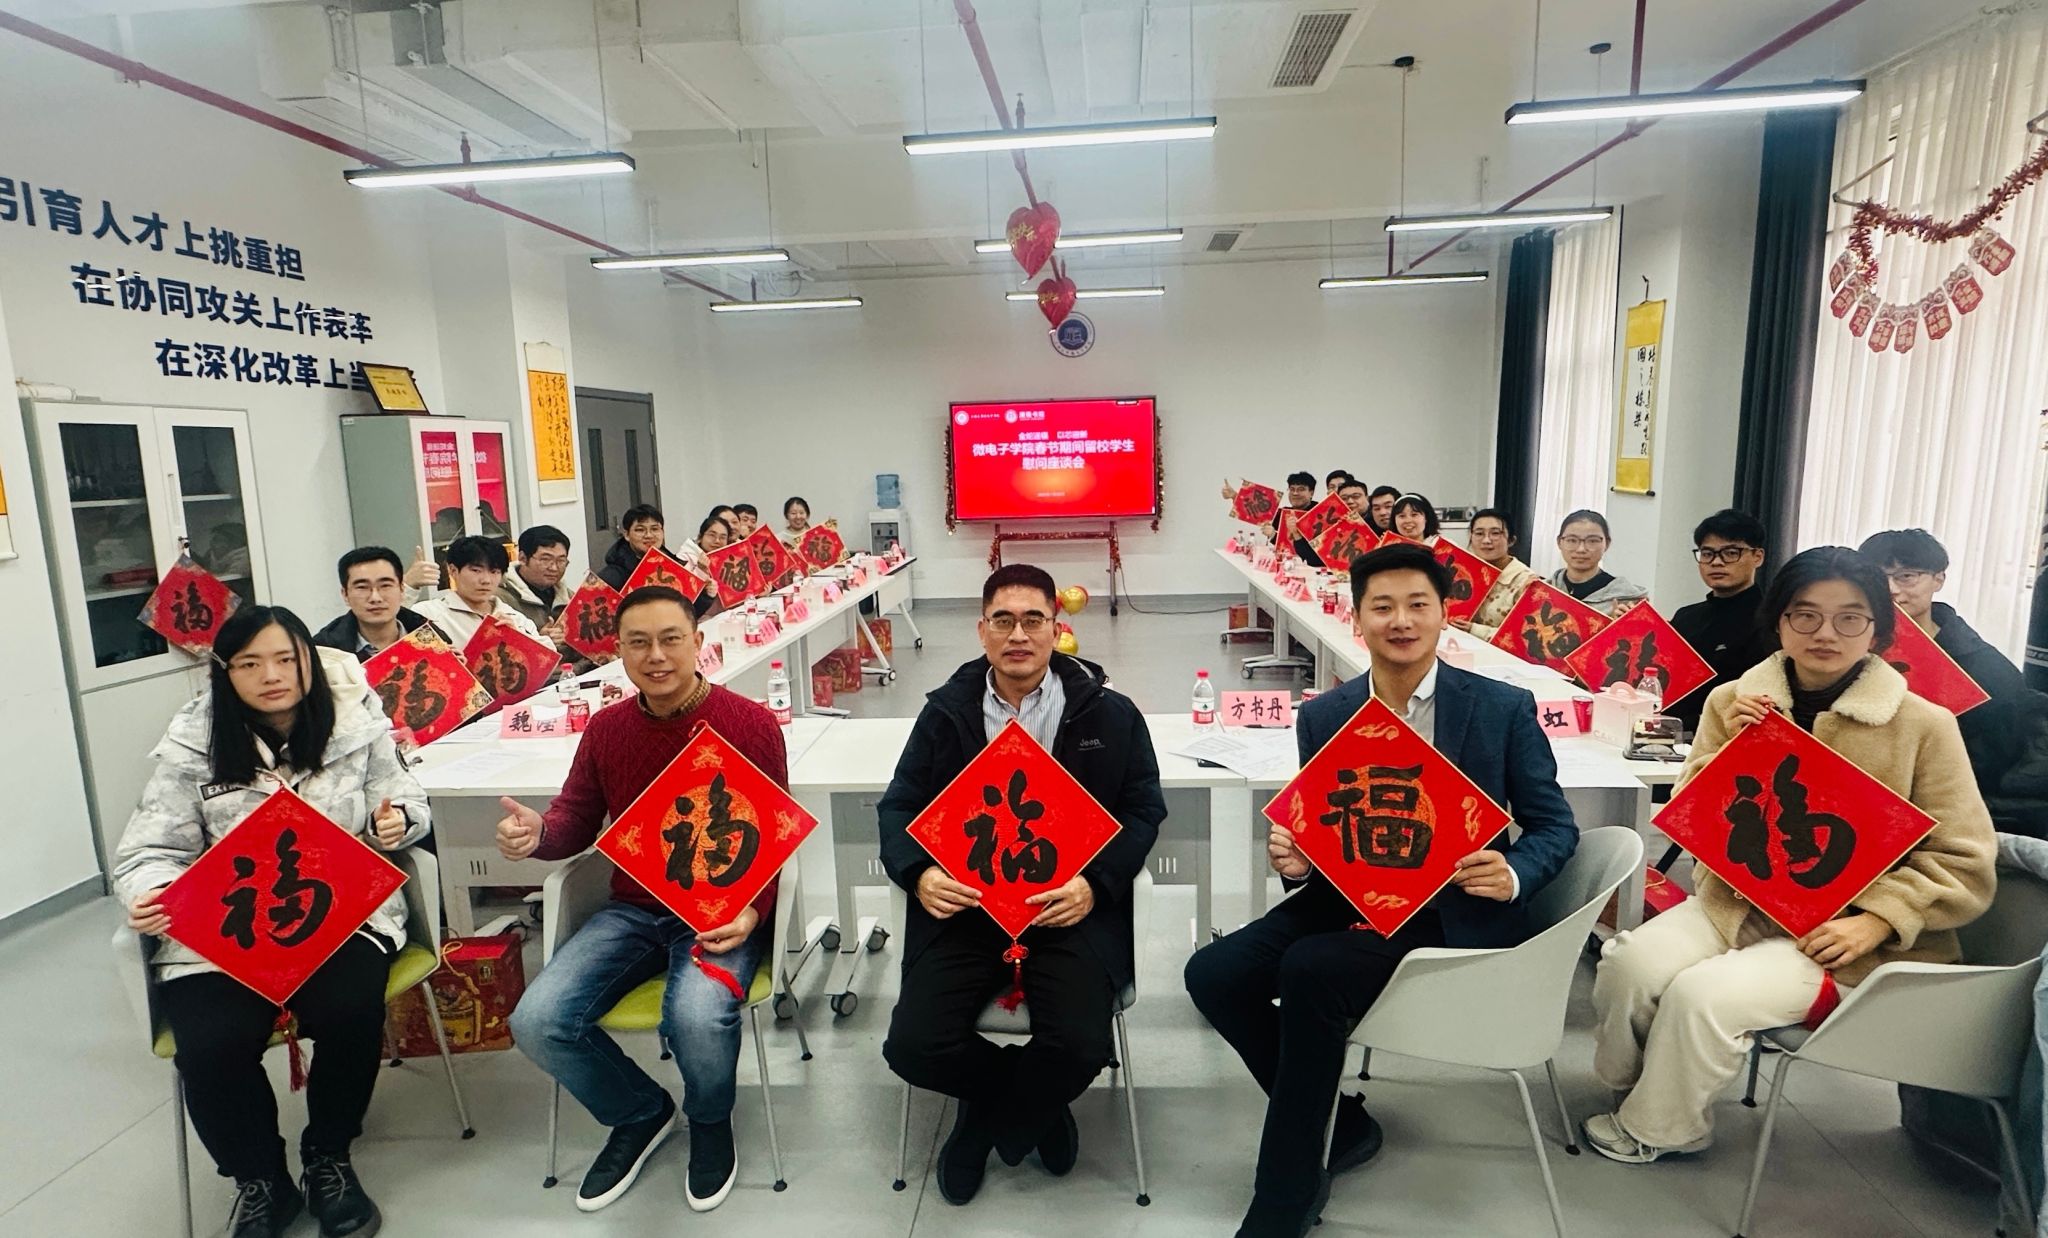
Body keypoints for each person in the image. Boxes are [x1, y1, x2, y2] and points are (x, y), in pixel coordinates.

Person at [1185, 543, 1579, 1238]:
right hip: (1350, 899)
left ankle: (1286, 1192)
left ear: (1445, 613)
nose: (1402, 621)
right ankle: (1342, 1124)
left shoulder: (1501, 707)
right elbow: (1328, 833)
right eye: (1383, 607)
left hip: (1453, 910)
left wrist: (1514, 871)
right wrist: (1297, 863)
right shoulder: (1326, 714)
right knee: (1213, 972)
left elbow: (1554, 825)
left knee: (1311, 969)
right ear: (1357, 618)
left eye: (1418, 605)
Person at [1585, 547, 1997, 1165]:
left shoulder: (1923, 724)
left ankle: (1665, 1126)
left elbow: (1965, 860)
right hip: (1737, 903)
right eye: (1805, 615)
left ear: (1878, 630)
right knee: (1629, 965)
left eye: (1849, 617)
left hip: (1848, 937)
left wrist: (1878, 920)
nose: (1825, 633)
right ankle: (1633, 1085)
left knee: (1703, 996)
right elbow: (1695, 813)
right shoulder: (1733, 702)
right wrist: (1733, 750)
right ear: (1778, 622)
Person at [115, 606, 429, 1238]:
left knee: (349, 1008)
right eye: (250, 663)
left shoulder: (357, 725)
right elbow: (149, 849)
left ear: (309, 661)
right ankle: (260, 1179)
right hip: (225, 930)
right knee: (210, 1042)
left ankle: (328, 1155)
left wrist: (399, 822)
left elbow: (406, 799)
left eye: (287, 659)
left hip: (339, 914)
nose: (272, 675)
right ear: (225, 671)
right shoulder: (193, 746)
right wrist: (150, 890)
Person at [877, 564, 1165, 1206]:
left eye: (1033, 620)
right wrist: (920, 872)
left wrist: (1095, 884)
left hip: (1066, 908)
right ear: (981, 629)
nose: (1018, 635)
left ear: (1056, 630)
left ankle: (989, 1121)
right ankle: (1022, 1101)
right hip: (970, 907)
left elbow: (1144, 809)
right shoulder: (945, 714)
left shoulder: (1108, 713)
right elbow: (899, 806)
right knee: (913, 1047)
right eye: (1003, 620)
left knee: (1082, 1044)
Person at [502, 586, 784, 1214]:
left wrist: (752, 911)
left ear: (698, 642)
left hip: (718, 911)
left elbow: (773, 833)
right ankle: (639, 1112)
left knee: (697, 1017)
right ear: (619, 651)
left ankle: (709, 1121)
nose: (656, 656)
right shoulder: (608, 729)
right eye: (638, 643)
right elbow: (576, 818)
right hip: (634, 910)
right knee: (537, 1021)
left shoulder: (749, 724)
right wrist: (539, 833)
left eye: (670, 639)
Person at [1858, 528, 2030, 798]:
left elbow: (1994, 762)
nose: (1891, 589)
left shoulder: (1986, 669)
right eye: (1878, 578)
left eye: (1906, 576)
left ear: (1938, 579)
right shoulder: (1845, 648)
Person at [1668, 510, 1776, 735]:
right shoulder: (1685, 617)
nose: (1716, 562)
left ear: (1758, 557)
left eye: (1731, 553)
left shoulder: (1772, 622)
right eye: (1707, 553)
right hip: (1662, 733)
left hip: (1726, 736)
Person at [407, 535, 543, 649]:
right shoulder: (428, 614)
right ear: (453, 570)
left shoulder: (516, 619)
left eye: (494, 572)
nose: (486, 580)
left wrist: (518, 640)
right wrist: (408, 585)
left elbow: (547, 660)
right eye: (476, 570)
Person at [313, 547, 442, 662]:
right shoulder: (325, 654)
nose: (375, 598)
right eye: (362, 587)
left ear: (402, 589)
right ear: (345, 594)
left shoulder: (434, 638)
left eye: (385, 585)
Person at [1456, 508, 1537, 641]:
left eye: (1495, 533)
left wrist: (1474, 629)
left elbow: (1525, 636)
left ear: (1511, 540)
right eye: (1479, 533)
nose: (1486, 540)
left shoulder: (1526, 581)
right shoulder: (1462, 572)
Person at [1549, 510, 1647, 616]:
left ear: (1607, 544)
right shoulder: (1543, 591)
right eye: (1572, 540)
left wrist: (1626, 623)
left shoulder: (1628, 601)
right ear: (1559, 542)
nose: (1581, 549)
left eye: (1592, 541)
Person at [499, 526, 573, 652]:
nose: (554, 568)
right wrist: (537, 640)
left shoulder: (570, 597)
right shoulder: (500, 598)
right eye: (545, 559)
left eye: (561, 561)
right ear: (522, 558)